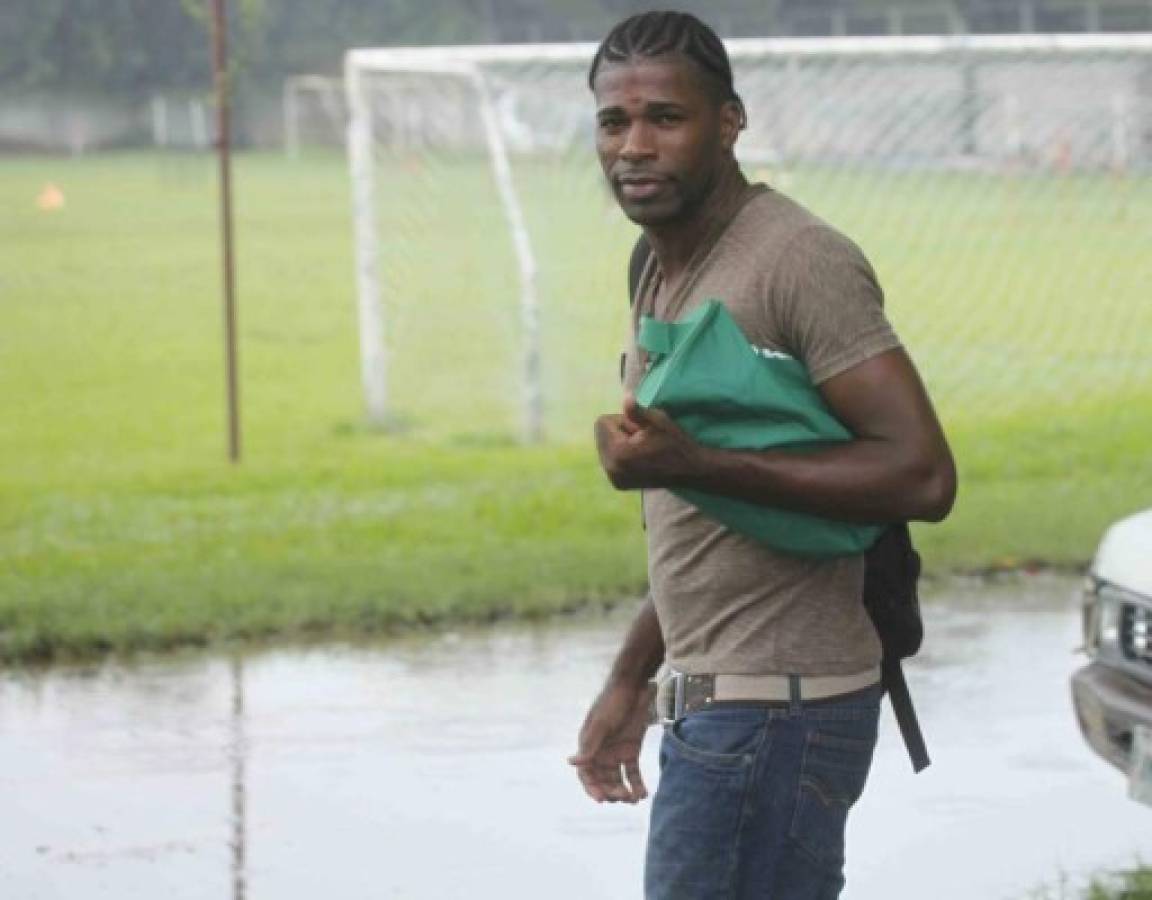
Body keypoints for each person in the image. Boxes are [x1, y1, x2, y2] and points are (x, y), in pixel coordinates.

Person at [568, 11, 957, 900]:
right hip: (716, 703)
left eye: (666, 118)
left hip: (781, 712)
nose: (634, 146)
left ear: (729, 123)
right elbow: (707, 516)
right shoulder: (655, 263)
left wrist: (692, 463)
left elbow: (924, 475)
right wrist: (633, 679)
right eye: (613, 122)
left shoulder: (798, 259)